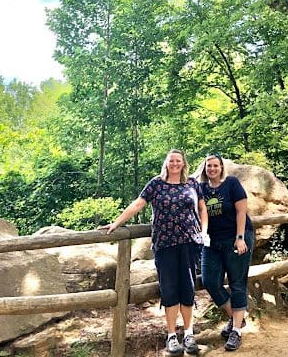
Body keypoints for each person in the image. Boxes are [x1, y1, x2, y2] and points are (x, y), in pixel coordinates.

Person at [100, 149, 208, 356]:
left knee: (187, 288)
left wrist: (203, 232)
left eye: (178, 161)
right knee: (169, 290)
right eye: (171, 160)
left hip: (189, 243)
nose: (174, 164)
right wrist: (116, 223)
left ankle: (188, 334)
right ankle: (171, 336)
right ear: (166, 163)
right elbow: (138, 204)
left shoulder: (192, 184)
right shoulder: (156, 184)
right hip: (164, 245)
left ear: (183, 163)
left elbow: (202, 209)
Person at [200, 153, 254, 352]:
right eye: (209, 166)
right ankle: (236, 318)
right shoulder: (201, 188)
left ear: (221, 167)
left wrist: (240, 238)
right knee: (210, 281)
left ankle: (236, 332)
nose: (212, 169)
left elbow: (241, 211)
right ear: (205, 168)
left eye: (215, 165)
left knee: (237, 283)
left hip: (236, 238)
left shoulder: (231, 183)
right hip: (212, 242)